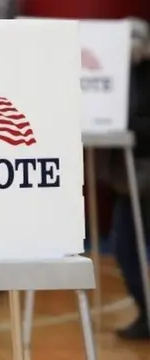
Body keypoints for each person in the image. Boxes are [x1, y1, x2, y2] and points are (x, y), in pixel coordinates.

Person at [100, 18, 150, 340]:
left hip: (144, 175)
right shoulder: (119, 76)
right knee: (124, 247)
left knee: (128, 247)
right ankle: (146, 312)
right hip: (130, 180)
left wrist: (128, 128)